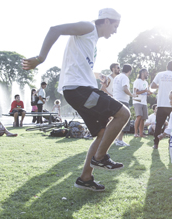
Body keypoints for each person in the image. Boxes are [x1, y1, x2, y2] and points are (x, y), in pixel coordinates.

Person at [22, 8, 130, 192]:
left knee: (103, 133)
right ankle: (100, 157)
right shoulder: (88, 26)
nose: (115, 31)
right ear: (105, 21)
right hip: (79, 90)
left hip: (80, 89)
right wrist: (41, 58)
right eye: (115, 25)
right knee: (123, 113)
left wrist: (98, 76)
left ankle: (85, 178)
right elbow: (54, 29)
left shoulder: (93, 39)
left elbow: (79, 64)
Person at [151, 61, 172, 149]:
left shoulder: (160, 74)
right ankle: (171, 143)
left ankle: (156, 144)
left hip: (161, 104)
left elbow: (152, 85)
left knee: (158, 125)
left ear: (166, 67)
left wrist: (160, 85)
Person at [113, 64, 137, 146]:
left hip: (115, 99)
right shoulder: (125, 77)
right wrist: (132, 95)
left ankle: (116, 139)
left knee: (116, 120)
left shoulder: (117, 77)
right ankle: (120, 140)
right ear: (129, 71)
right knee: (123, 120)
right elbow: (125, 89)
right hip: (122, 100)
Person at [133, 69, 151, 137]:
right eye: (147, 73)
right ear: (142, 73)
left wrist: (148, 93)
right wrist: (145, 91)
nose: (148, 74)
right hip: (137, 101)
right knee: (139, 116)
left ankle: (141, 134)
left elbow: (145, 92)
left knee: (143, 118)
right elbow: (136, 92)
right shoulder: (137, 81)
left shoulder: (146, 82)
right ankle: (135, 133)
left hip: (144, 102)